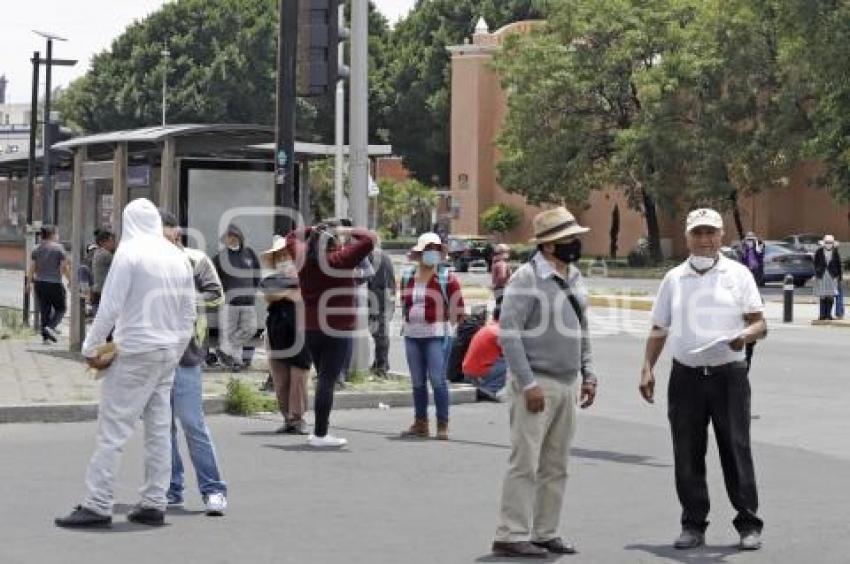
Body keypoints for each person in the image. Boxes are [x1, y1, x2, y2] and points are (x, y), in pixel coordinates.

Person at [55, 198, 196, 529]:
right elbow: (188, 312)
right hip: (166, 353)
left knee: (113, 430)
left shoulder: (129, 255)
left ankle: (97, 504)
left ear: (129, 223)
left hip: (134, 352)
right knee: (159, 430)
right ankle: (153, 502)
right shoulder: (178, 257)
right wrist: (175, 351)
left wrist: (90, 347)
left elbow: (110, 308)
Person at [639, 208, 767, 551]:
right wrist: (647, 367)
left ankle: (748, 523)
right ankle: (693, 524)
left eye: (711, 233)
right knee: (687, 452)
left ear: (722, 235)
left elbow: (760, 323)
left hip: (729, 376)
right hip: (686, 378)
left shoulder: (738, 274)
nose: (705, 239)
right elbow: (659, 326)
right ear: (688, 237)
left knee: (736, 448)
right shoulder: (673, 278)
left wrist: (744, 336)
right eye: (698, 233)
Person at [491, 206, 597, 558]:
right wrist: (528, 383)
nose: (576, 243)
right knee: (526, 462)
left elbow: (581, 329)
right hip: (536, 383)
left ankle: (545, 532)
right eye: (569, 239)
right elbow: (510, 334)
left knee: (556, 464)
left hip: (567, 383)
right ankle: (511, 533)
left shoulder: (574, 276)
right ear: (549, 245)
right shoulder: (525, 278)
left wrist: (588, 372)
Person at [159, 210, 228, 516]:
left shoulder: (195, 259)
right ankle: (173, 489)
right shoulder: (143, 261)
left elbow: (216, 295)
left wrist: (182, 296)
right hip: (153, 355)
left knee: (192, 423)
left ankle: (213, 490)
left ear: (176, 232)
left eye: (165, 231)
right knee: (161, 429)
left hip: (186, 355)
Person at [286, 222, 376, 448]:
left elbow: (290, 236)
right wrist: (345, 230)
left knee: (322, 378)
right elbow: (369, 239)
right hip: (338, 327)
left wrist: (313, 228)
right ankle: (320, 434)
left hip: (312, 328)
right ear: (333, 241)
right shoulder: (341, 259)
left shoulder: (303, 258)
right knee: (327, 380)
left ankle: (319, 431)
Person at [399, 233, 465, 440]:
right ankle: (421, 423)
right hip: (412, 335)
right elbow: (404, 303)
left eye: (436, 251)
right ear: (419, 254)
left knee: (437, 379)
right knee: (417, 381)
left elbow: (459, 310)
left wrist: (448, 327)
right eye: (429, 250)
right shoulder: (408, 276)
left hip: (436, 336)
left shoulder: (448, 278)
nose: (433, 254)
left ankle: (442, 424)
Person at [260, 234, 311, 435]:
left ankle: (297, 418)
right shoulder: (272, 279)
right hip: (277, 332)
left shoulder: (307, 276)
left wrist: (289, 294)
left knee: (299, 376)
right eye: (279, 257)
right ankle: (287, 418)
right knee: (280, 379)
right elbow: (269, 295)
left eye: (286, 255)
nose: (283, 260)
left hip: (301, 332)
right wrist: (290, 294)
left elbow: (302, 297)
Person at [212, 223, 261, 371]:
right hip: (229, 303)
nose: (231, 239)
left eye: (233, 236)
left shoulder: (249, 253)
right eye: (228, 237)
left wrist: (253, 290)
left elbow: (257, 273)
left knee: (250, 329)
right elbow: (213, 279)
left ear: (239, 236)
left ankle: (225, 351)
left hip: (248, 302)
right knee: (228, 334)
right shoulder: (220, 257)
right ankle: (235, 363)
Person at [27, 224, 70, 344]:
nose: (58, 236)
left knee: (45, 310)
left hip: (39, 283)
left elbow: (32, 267)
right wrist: (71, 281)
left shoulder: (36, 248)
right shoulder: (59, 248)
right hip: (54, 283)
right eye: (57, 233)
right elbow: (64, 268)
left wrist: (29, 283)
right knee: (61, 308)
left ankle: (45, 339)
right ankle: (50, 327)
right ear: (52, 235)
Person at [463, 306, 505, 402]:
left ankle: (483, 389)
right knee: (513, 364)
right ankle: (488, 390)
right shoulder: (499, 331)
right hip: (478, 374)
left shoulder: (488, 328)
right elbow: (512, 354)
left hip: (468, 372)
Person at [367, 242, 396, 378]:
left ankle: (381, 366)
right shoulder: (383, 256)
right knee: (380, 333)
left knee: (380, 333)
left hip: (377, 300)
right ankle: (381, 364)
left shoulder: (375, 256)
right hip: (382, 299)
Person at [813, 234, 842, 321]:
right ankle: (822, 315)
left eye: (830, 242)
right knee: (822, 296)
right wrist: (817, 273)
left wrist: (839, 277)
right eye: (827, 242)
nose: (828, 244)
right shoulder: (819, 251)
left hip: (832, 276)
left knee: (830, 296)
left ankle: (828, 315)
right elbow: (815, 263)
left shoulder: (835, 252)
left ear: (833, 243)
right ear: (824, 243)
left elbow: (838, 265)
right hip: (821, 276)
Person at [90, 228, 116, 315]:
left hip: (98, 291)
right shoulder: (105, 254)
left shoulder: (98, 252)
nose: (113, 243)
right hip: (103, 292)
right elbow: (120, 264)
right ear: (102, 242)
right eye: (110, 241)